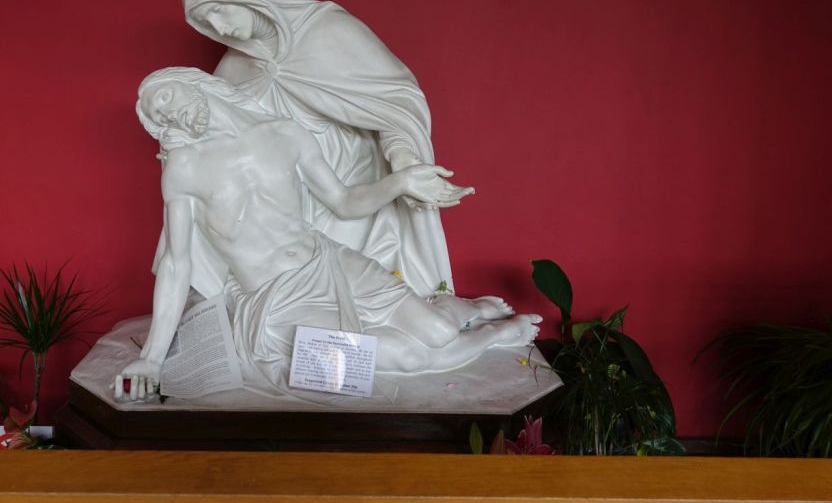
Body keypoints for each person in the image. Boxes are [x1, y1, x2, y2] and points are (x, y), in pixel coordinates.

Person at [118, 68, 540, 400]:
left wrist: (401, 181)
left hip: (330, 261)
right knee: (410, 358)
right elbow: (176, 263)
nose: (164, 115)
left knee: (438, 333)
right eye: (156, 116)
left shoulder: (284, 133)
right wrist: (151, 358)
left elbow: (343, 201)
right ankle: (494, 334)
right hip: (275, 302)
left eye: (163, 98)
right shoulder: (184, 169)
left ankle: (458, 310)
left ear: (192, 82)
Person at [175, 0, 461, 298]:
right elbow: (215, 137)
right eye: (207, 22)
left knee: (342, 286)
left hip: (350, 180)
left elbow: (395, 102)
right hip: (283, 194)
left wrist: (401, 155)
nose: (220, 28)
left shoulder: (330, 31)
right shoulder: (233, 69)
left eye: (219, 10)